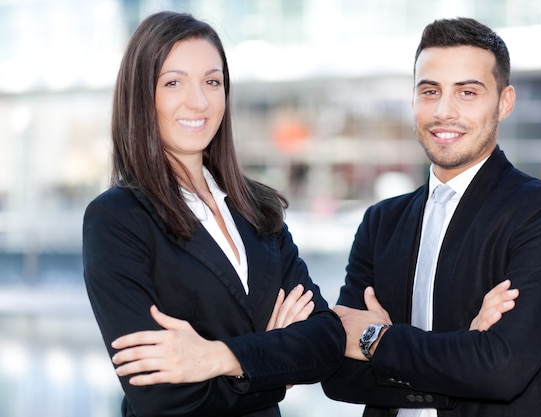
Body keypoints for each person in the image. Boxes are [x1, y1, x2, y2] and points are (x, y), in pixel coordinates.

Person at [82, 11, 348, 417]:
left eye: (212, 81)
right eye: (174, 82)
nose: (200, 101)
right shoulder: (118, 219)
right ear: (142, 96)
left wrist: (221, 357)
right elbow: (162, 398)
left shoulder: (258, 208)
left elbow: (327, 341)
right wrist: (272, 364)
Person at [321, 17, 541, 417]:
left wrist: (375, 339)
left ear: (504, 102)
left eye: (467, 92)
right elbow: (338, 374)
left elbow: (501, 369)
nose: (444, 111)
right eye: (430, 91)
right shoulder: (380, 222)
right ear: (413, 100)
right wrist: (464, 350)